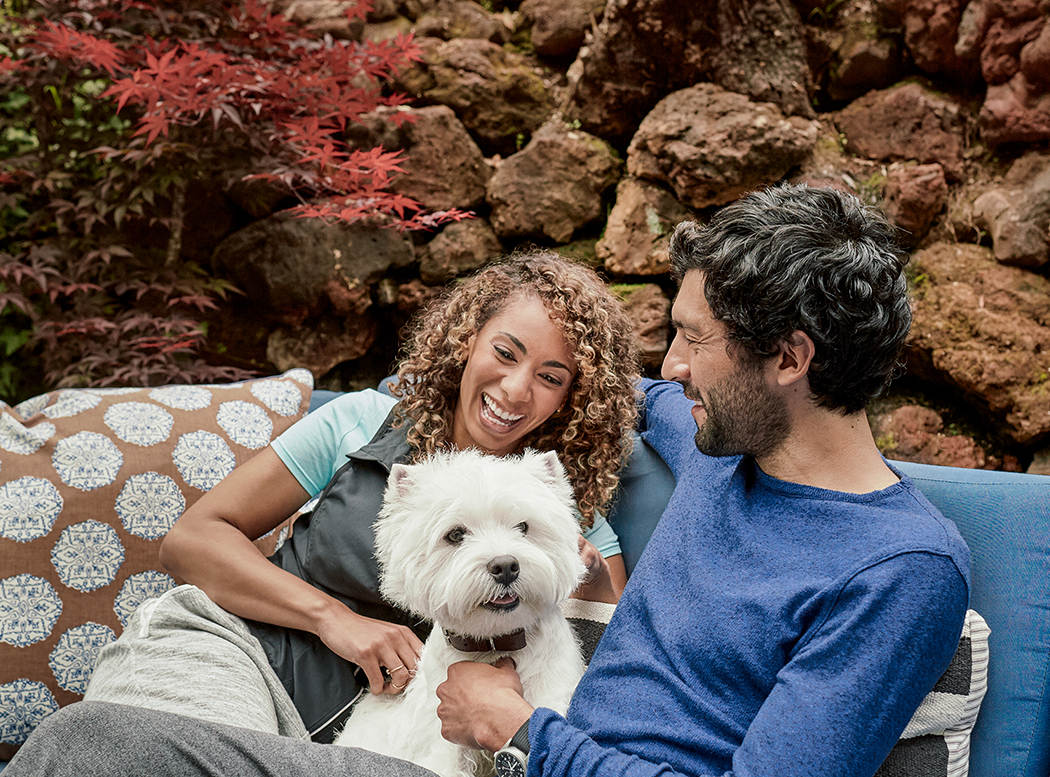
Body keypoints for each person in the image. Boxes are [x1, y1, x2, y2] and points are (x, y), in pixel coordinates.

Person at [7, 184, 971, 777]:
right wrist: (456, 390)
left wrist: (522, 731)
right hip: (488, 753)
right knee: (96, 744)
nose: (668, 369)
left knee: (90, 753)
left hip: (524, 753)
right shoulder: (723, 442)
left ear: (790, 359)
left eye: (692, 339)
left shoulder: (897, 570)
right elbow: (602, 387)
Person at [76, 250, 642, 744]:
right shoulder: (362, 423)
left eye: (551, 377)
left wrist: (585, 577)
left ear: (574, 397)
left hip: (368, 738)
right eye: (505, 352)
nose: (515, 389)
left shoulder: (564, 501)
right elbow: (191, 540)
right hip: (236, 655)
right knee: (150, 745)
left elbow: (607, 658)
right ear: (467, 342)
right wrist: (331, 617)